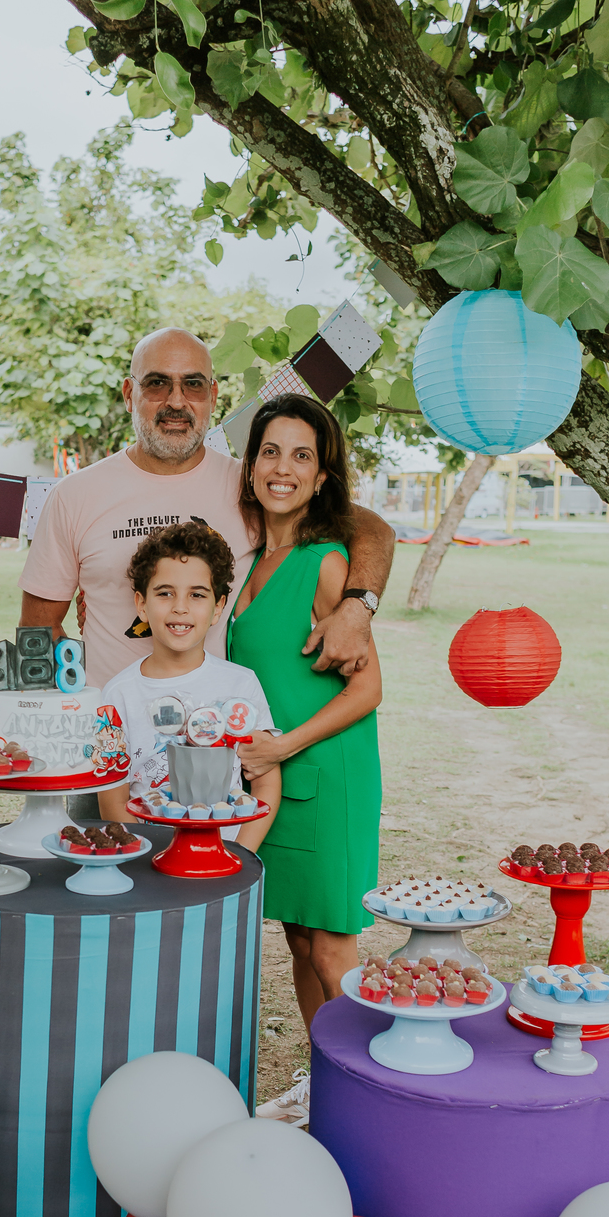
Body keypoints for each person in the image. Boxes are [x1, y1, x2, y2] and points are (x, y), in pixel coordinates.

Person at [18, 326, 395, 690]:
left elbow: (372, 528)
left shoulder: (253, 487)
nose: (176, 401)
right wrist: (77, 705)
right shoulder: (74, 496)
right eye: (157, 383)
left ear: (212, 396)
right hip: (111, 739)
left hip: (219, 735)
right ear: (129, 392)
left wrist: (358, 608)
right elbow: (37, 630)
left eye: (193, 384)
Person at [229, 394, 383, 1040]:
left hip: (324, 776)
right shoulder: (252, 566)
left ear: (322, 477)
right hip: (276, 780)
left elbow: (368, 691)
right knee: (297, 941)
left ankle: (367, 1093)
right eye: (270, 452)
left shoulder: (325, 564)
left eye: (301, 455)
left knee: (330, 947)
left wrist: (280, 749)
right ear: (251, 465)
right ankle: (323, 1081)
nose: (282, 468)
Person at [97, 523, 281, 850]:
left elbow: (266, 781)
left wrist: (241, 855)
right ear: (141, 604)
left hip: (223, 862)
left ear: (218, 607)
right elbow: (112, 800)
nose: (180, 607)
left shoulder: (241, 684)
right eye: (165, 593)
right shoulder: (118, 694)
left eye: (197, 594)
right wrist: (143, 859)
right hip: (149, 863)